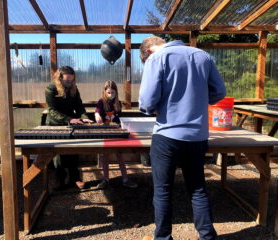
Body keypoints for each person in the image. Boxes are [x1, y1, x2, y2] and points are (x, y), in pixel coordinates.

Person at [138, 36, 226, 240]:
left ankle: (163, 238)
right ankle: (206, 236)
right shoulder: (203, 55)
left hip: (167, 135)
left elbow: (147, 101)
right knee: (197, 188)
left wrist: (151, 109)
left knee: (162, 191)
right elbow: (220, 91)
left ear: (149, 51)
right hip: (197, 136)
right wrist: (199, 100)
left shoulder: (157, 59)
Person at [45, 66, 93, 190]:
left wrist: (84, 117)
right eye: (67, 80)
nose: (70, 82)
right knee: (58, 154)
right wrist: (69, 119)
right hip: (55, 123)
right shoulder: (51, 89)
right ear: (60, 78)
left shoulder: (73, 89)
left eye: (72, 80)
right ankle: (59, 179)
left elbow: (79, 106)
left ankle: (75, 178)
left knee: (73, 150)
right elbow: (52, 110)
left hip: (70, 122)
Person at [94, 80, 138, 189]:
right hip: (105, 132)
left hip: (116, 131)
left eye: (112, 93)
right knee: (105, 156)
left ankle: (125, 179)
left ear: (116, 92)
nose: (110, 95)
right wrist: (97, 116)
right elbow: (97, 111)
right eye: (108, 93)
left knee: (119, 155)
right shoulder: (101, 102)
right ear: (104, 92)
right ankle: (106, 179)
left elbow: (119, 118)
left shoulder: (118, 103)